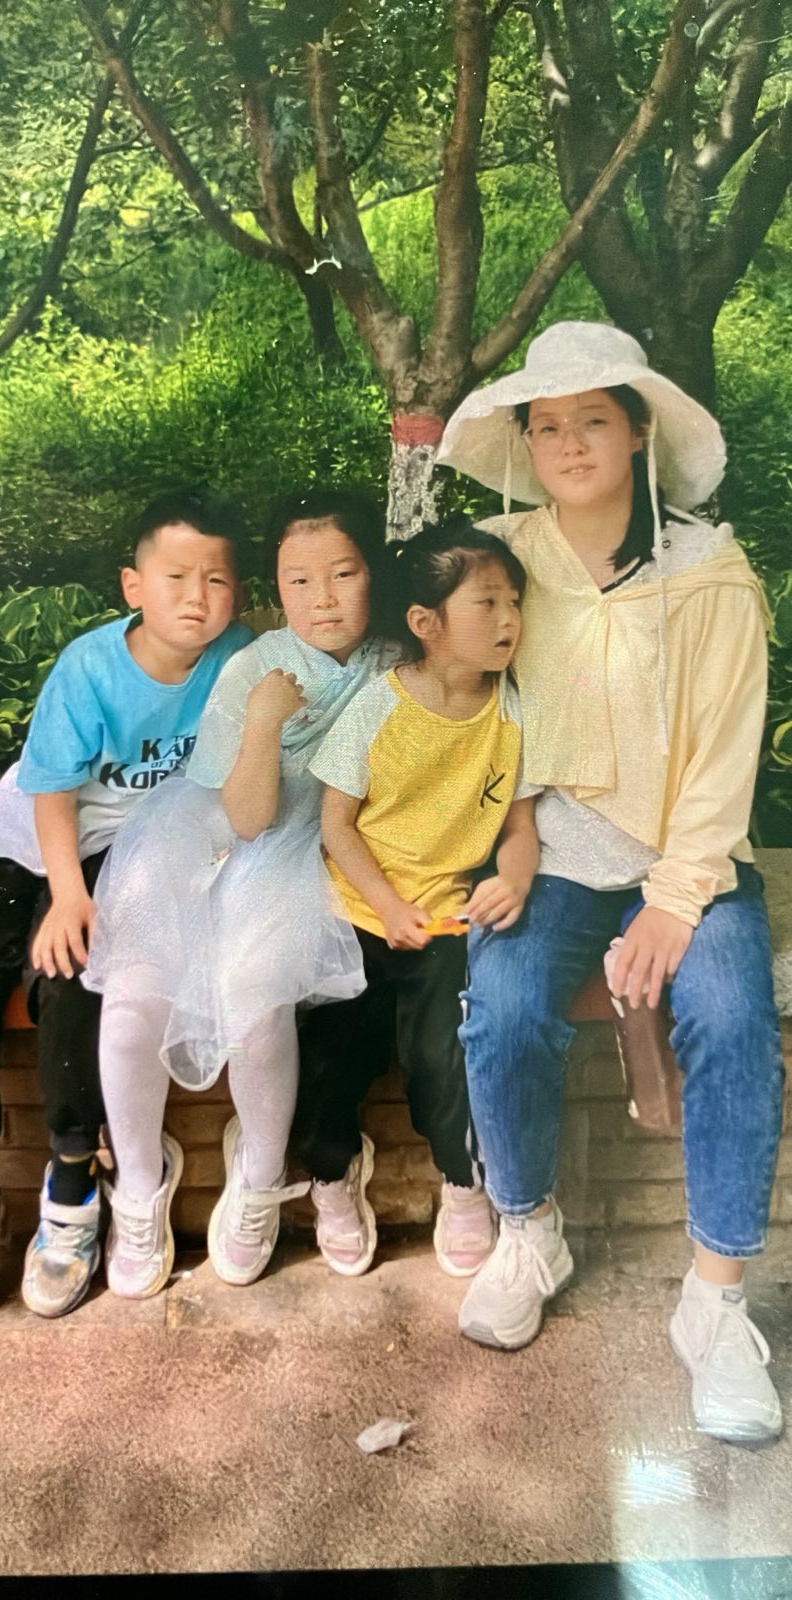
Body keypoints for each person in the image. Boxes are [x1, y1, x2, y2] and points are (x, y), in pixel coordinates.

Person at [437, 320, 785, 1446]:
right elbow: (444, 695)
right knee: (503, 1006)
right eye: (547, 426)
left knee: (732, 1014)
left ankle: (714, 1301)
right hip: (543, 852)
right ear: (526, 444)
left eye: (594, 419)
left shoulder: (707, 571)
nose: (570, 443)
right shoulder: (498, 561)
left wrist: (677, 902)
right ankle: (528, 1229)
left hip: (684, 854)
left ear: (638, 432)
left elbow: (725, 754)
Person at [0, 489, 253, 1327]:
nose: (197, 596)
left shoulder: (239, 659)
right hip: (24, 836)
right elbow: (53, 795)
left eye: (216, 578)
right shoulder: (90, 667)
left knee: (75, 977)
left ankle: (72, 1185)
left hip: (123, 848)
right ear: (133, 585)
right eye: (175, 576)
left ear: (238, 592)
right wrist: (66, 894)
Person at [84, 489, 401, 1296]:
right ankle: (139, 1187)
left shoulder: (396, 662)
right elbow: (247, 816)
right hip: (213, 827)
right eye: (299, 581)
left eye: (343, 574)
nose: (323, 598)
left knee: (255, 1002)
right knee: (135, 997)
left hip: (304, 846)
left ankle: (259, 1178)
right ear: (276, 589)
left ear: (373, 572)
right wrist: (263, 721)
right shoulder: (255, 666)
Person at [293, 518, 538, 1279]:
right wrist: (387, 905)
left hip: (447, 919)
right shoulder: (381, 705)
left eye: (513, 602)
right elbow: (336, 822)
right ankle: (332, 1175)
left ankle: (463, 1184)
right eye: (487, 603)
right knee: (333, 1055)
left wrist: (515, 877)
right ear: (427, 624)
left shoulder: (513, 710)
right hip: (357, 913)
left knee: (444, 1057)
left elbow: (520, 827)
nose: (508, 619)